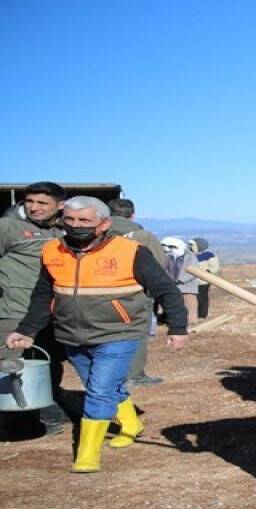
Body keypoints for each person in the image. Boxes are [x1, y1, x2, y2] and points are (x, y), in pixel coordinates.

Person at [5, 197, 189, 472]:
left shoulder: (130, 251)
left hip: (119, 332)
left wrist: (177, 327)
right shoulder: (53, 250)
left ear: (104, 224)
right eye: (70, 219)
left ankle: (87, 454)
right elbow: (43, 295)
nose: (76, 225)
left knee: (99, 390)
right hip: (72, 334)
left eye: (84, 220)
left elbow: (166, 289)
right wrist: (27, 330)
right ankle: (131, 423)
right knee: (100, 384)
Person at [0, 182, 71, 435]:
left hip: (52, 313)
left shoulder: (62, 230)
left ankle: (45, 408)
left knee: (49, 361)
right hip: (16, 311)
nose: (34, 207)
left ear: (60, 206)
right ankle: (12, 422)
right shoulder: (7, 227)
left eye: (42, 203)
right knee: (11, 364)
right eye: (30, 201)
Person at [107, 198, 168, 387]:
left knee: (106, 334)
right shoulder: (143, 236)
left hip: (97, 295)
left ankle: (107, 374)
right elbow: (159, 265)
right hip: (135, 294)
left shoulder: (94, 234)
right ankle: (134, 375)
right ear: (132, 215)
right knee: (137, 333)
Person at [160, 236, 200, 324]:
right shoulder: (167, 257)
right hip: (172, 285)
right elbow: (165, 269)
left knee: (189, 303)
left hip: (187, 286)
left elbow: (194, 271)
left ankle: (191, 320)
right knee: (173, 305)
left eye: (172, 247)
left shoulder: (191, 257)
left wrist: (180, 280)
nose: (169, 249)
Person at [188, 237, 219, 320]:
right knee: (192, 299)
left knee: (202, 299)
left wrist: (207, 273)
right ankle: (193, 314)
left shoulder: (209, 255)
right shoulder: (190, 255)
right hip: (191, 282)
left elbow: (214, 268)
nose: (190, 246)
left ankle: (202, 315)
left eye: (192, 245)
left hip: (203, 282)